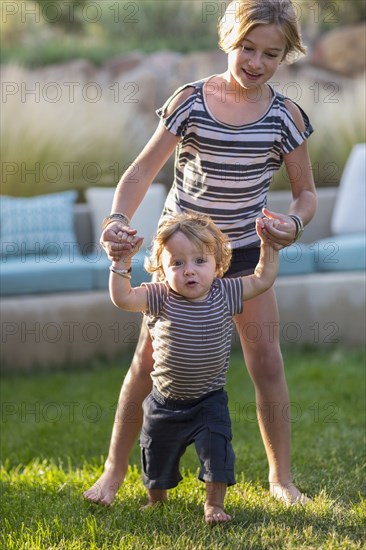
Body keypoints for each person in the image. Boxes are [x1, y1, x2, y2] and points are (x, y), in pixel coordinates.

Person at [83, 0, 317, 506]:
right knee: (147, 363)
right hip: (185, 251)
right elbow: (142, 172)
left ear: (286, 55)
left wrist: (293, 224)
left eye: (270, 54)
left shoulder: (285, 117)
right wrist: (116, 221)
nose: (255, 62)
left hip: (247, 251)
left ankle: (281, 479)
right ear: (228, 39)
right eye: (246, 48)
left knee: (267, 362)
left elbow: (306, 194)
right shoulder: (190, 100)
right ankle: (113, 473)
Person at [108, 212, 279, 523]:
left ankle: (214, 505)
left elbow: (263, 278)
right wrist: (121, 264)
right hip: (164, 402)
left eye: (200, 261)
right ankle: (155, 499)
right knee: (156, 454)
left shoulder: (226, 292)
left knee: (217, 451)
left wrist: (268, 245)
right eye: (177, 263)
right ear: (162, 268)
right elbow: (122, 298)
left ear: (218, 264)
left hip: (209, 400)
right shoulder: (159, 296)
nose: (189, 271)